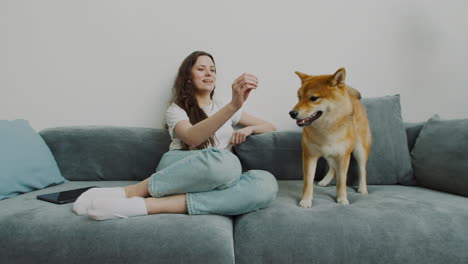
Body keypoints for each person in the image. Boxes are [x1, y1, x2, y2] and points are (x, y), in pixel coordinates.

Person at [73, 51, 278, 220]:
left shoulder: (224, 105)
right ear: (188, 77)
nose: (209, 73)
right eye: (201, 69)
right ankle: (132, 191)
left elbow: (270, 126)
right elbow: (192, 137)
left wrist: (249, 129)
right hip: (179, 167)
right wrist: (233, 106)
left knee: (266, 184)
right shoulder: (176, 109)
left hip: (219, 178)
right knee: (228, 163)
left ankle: (147, 206)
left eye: (212, 70)